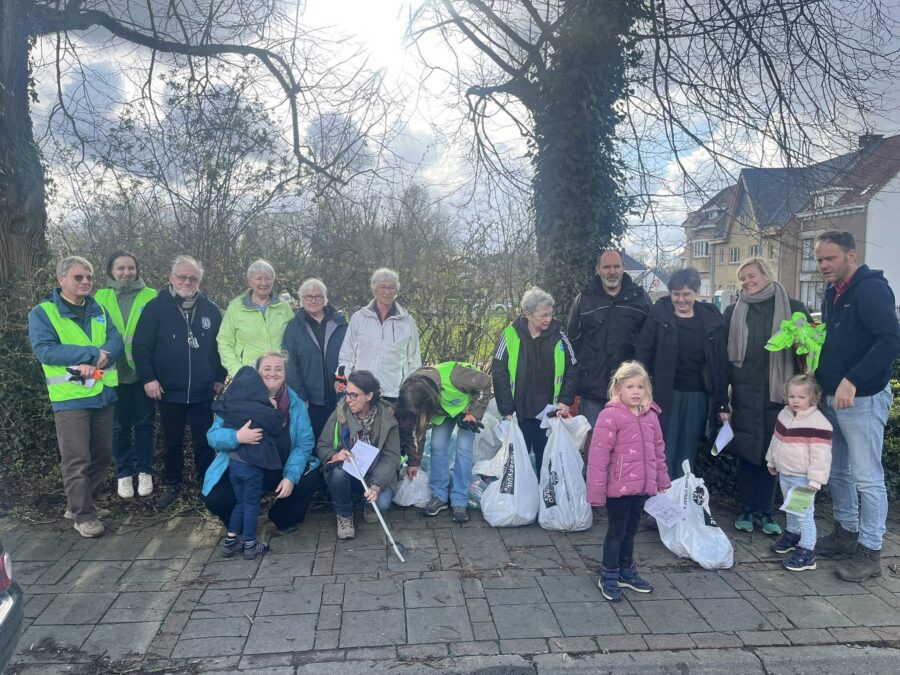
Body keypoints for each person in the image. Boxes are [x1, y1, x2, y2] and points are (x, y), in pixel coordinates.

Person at [813, 231, 900, 582]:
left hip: (862, 398)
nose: (823, 266)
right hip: (833, 398)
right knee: (838, 472)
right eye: (819, 260)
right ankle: (846, 532)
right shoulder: (833, 293)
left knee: (866, 477)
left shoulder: (871, 289)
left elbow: (891, 339)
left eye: (829, 258)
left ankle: (869, 550)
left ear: (851, 255)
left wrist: (853, 379)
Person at [28, 256, 124, 537]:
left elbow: (115, 339)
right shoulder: (44, 313)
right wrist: (93, 354)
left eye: (89, 277)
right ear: (61, 280)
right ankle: (83, 515)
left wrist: (105, 354)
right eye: (78, 277)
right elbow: (45, 350)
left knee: (103, 455)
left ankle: (79, 501)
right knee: (76, 459)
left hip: (102, 393)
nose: (85, 282)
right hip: (70, 398)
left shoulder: (98, 308)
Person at [723, 257, 809, 536]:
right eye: (742, 279)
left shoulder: (793, 309)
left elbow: (809, 354)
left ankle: (767, 511)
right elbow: (722, 357)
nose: (747, 282)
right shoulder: (733, 311)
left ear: (766, 274)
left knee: (773, 457)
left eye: (751, 276)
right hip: (744, 394)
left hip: (779, 395)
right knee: (747, 454)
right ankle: (746, 509)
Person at [132, 255, 226, 508]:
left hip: (203, 391)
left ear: (200, 281)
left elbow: (222, 347)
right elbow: (140, 347)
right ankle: (173, 484)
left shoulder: (211, 309)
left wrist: (219, 377)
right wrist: (148, 379)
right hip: (167, 391)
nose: (187, 281)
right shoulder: (155, 308)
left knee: (205, 440)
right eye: (182, 277)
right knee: (171, 442)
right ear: (171, 278)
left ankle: (208, 485)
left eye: (193, 278)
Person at [202, 352, 321, 535]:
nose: (272, 373)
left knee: (309, 477)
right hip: (242, 466)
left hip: (279, 466)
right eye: (266, 368)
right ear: (257, 372)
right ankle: (238, 523)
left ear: (285, 373)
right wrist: (237, 437)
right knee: (215, 497)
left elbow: (304, 444)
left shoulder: (296, 404)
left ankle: (283, 517)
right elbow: (213, 436)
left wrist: (290, 477)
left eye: (278, 369)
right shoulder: (235, 398)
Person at [586, 361, 670, 602]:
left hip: (641, 487)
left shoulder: (651, 416)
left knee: (632, 530)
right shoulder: (610, 416)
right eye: (630, 386)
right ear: (618, 389)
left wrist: (661, 479)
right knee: (617, 531)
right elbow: (598, 456)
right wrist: (596, 492)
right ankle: (609, 574)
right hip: (618, 488)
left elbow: (658, 451)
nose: (635, 391)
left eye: (640, 387)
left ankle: (626, 570)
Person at [635, 267, 728, 479]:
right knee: (662, 446)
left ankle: (683, 494)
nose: (681, 299)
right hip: (665, 395)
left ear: (697, 293)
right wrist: (642, 391)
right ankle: (660, 494)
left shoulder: (711, 320)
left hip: (697, 396)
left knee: (688, 449)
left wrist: (722, 402)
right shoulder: (658, 317)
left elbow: (720, 365)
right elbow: (642, 356)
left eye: (686, 294)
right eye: (676, 294)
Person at [492, 286, 577, 474]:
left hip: (548, 413)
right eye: (543, 315)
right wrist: (506, 410)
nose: (548, 319)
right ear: (528, 315)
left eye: (550, 314)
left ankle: (544, 501)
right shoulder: (510, 336)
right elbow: (498, 373)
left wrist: (564, 401)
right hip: (518, 412)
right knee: (517, 462)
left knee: (546, 461)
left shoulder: (560, 337)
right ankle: (520, 502)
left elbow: (572, 370)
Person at [94, 250, 158, 499]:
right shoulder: (98, 297)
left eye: (130, 268)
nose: (126, 272)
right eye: (120, 268)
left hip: (143, 372)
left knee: (145, 425)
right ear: (111, 271)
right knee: (119, 427)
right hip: (111, 373)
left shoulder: (151, 295)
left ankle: (145, 471)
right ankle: (123, 473)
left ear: (137, 269)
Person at [396, 362, 493, 523]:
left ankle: (459, 500)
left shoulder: (455, 376)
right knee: (437, 446)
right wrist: (414, 462)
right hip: (443, 410)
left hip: (467, 407)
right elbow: (417, 430)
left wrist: (474, 414)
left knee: (463, 449)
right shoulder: (411, 390)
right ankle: (439, 495)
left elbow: (484, 383)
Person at [567, 250, 651, 427]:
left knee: (628, 444)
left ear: (623, 268)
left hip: (630, 389)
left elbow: (651, 342)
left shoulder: (640, 299)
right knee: (595, 443)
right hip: (593, 390)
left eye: (616, 266)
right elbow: (573, 343)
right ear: (598, 269)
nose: (611, 271)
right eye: (606, 267)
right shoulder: (584, 299)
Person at [211, 363, 285, 560]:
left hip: (234, 465)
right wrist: (274, 409)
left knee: (241, 502)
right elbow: (277, 427)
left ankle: (230, 541)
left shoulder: (228, 407)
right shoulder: (262, 410)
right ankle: (250, 544)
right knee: (252, 504)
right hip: (252, 466)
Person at [316, 370, 402, 540]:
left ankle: (368, 504)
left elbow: (391, 457)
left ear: (369, 396)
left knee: (382, 502)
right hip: (347, 470)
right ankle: (344, 514)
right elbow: (322, 445)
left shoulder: (387, 419)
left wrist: (376, 486)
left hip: (374, 473)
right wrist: (336, 455)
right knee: (338, 474)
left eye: (354, 395)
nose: (348, 399)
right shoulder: (340, 414)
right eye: (347, 394)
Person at [765, 374, 833, 572]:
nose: (795, 400)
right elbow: (776, 440)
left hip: (804, 477)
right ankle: (793, 535)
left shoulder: (819, 423)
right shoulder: (784, 414)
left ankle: (808, 551)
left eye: (801, 397)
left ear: (813, 398)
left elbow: (821, 456)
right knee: (791, 508)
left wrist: (815, 480)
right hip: (785, 473)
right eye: (792, 396)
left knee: (804, 514)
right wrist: (771, 460)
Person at [338, 268, 421, 401]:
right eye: (383, 287)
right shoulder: (359, 318)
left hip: (394, 393)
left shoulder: (407, 321)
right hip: (362, 392)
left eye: (391, 287)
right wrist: (351, 384)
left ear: (396, 291)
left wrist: (409, 390)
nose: (387, 292)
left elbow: (415, 361)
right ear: (375, 289)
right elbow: (346, 355)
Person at [283, 278, 348, 439]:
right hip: (310, 401)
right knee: (312, 442)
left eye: (318, 296)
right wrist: (301, 396)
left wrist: (345, 387)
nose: (313, 300)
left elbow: (350, 357)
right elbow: (289, 364)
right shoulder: (294, 327)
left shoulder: (341, 324)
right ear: (301, 300)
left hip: (340, 398)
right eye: (308, 297)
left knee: (339, 442)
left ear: (325, 299)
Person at [217, 259, 294, 380]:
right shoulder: (236, 308)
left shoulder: (284, 307)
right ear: (250, 282)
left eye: (268, 278)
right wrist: (238, 371)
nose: (263, 283)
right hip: (248, 376)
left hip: (279, 376)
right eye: (258, 279)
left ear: (273, 280)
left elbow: (295, 340)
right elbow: (224, 342)